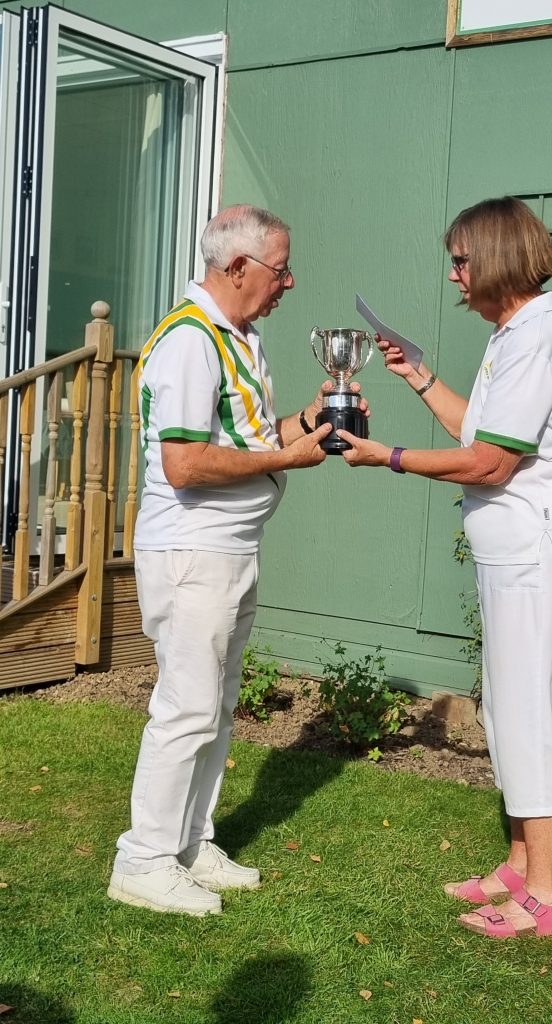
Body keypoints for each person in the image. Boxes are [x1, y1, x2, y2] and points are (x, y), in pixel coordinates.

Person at [337, 196, 552, 938]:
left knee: (532, 713)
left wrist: (383, 455)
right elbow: (482, 430)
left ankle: (547, 896)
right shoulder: (514, 333)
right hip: (521, 552)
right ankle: (522, 865)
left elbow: (489, 463)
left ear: (494, 259)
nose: (453, 275)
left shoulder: (535, 338)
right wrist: (419, 376)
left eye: (460, 260)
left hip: (542, 551)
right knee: (508, 704)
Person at [108, 204, 361, 916]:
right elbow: (186, 463)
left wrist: (314, 419)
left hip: (229, 548)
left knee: (215, 708)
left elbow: (247, 440)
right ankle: (144, 860)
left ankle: (190, 843)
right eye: (281, 269)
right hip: (193, 551)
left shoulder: (237, 338)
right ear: (239, 267)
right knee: (186, 709)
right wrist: (289, 456)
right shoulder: (191, 341)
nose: (290, 282)